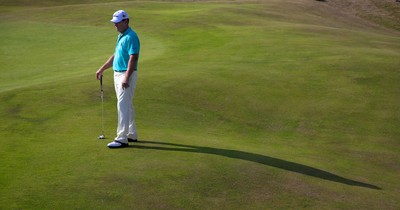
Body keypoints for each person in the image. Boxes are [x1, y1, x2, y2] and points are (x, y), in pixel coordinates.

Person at [96, 10, 140, 148]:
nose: (115, 25)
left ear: (126, 21)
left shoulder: (132, 36)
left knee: (122, 105)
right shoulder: (121, 36)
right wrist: (103, 68)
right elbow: (116, 56)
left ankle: (121, 138)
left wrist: (126, 77)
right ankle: (131, 133)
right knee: (127, 104)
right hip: (118, 73)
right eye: (114, 23)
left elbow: (134, 58)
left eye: (117, 22)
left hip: (126, 74)